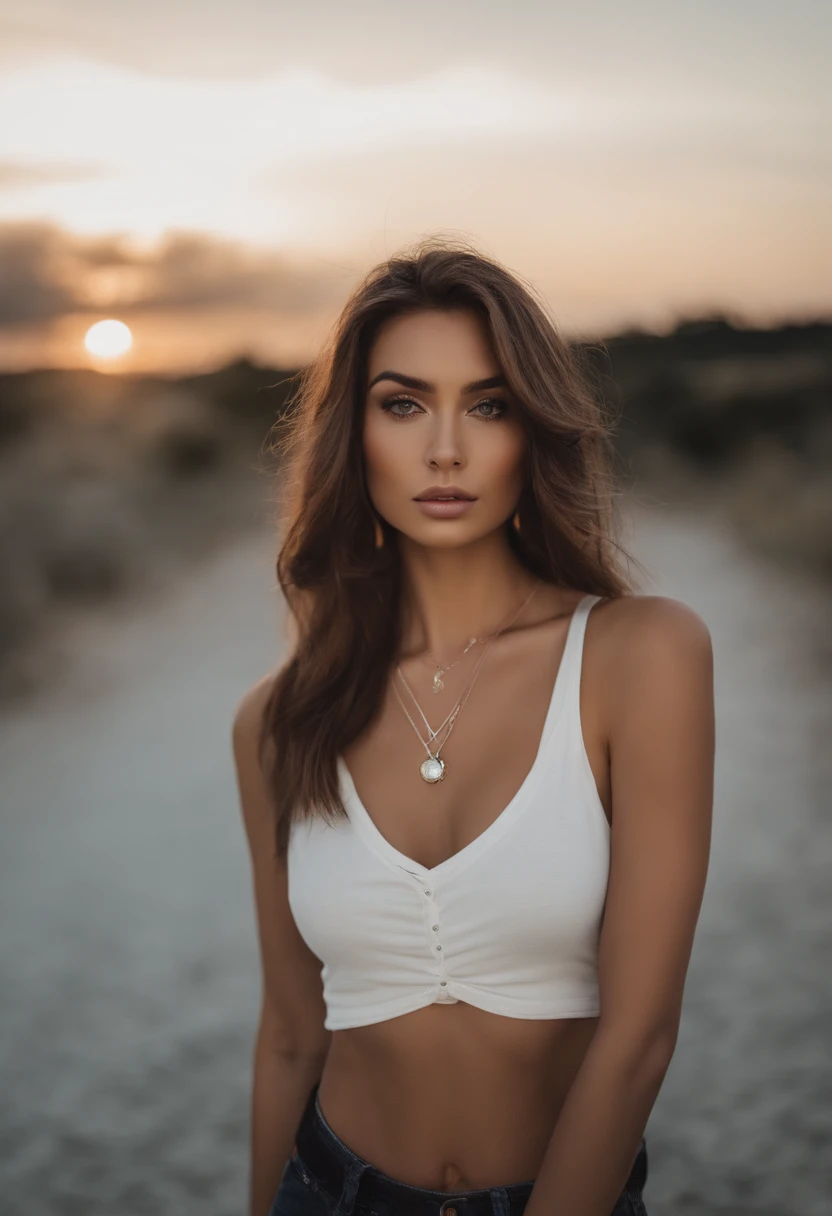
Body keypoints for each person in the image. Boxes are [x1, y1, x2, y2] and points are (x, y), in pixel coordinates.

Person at [232, 237, 714, 1216]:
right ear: (352, 431)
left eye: (487, 405)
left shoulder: (637, 655)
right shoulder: (280, 722)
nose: (444, 448)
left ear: (530, 431)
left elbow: (637, 1039)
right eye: (402, 403)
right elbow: (290, 1034)